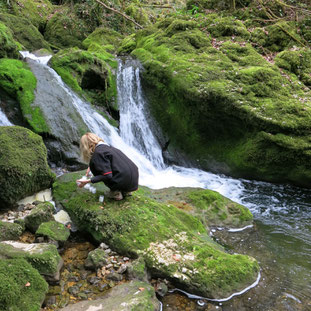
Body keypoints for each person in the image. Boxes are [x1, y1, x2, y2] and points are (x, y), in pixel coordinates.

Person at [77, 132, 139, 200]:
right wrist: (90, 167)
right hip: (134, 178)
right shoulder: (108, 148)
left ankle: (116, 193)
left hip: (123, 180)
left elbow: (107, 175)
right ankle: (126, 191)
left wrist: (88, 181)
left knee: (105, 174)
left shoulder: (98, 153)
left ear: (85, 146)